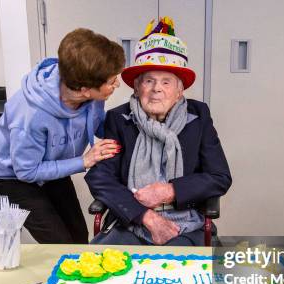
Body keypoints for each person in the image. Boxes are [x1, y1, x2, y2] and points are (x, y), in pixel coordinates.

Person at [85, 18, 232, 246]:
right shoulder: (119, 118)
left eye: (166, 82)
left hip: (185, 221)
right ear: (136, 87)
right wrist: (146, 216)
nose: (156, 89)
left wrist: (170, 191)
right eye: (149, 81)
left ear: (179, 90)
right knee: (99, 270)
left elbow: (219, 177)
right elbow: (101, 177)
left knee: (180, 273)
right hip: (131, 221)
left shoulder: (198, 117)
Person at [0, 28, 125, 243]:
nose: (117, 84)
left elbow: (95, 124)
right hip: (14, 177)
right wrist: (85, 161)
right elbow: (27, 171)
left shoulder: (92, 95)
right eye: (112, 80)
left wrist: (133, 124)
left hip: (52, 164)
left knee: (78, 236)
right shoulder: (30, 115)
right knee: (59, 244)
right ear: (85, 89)